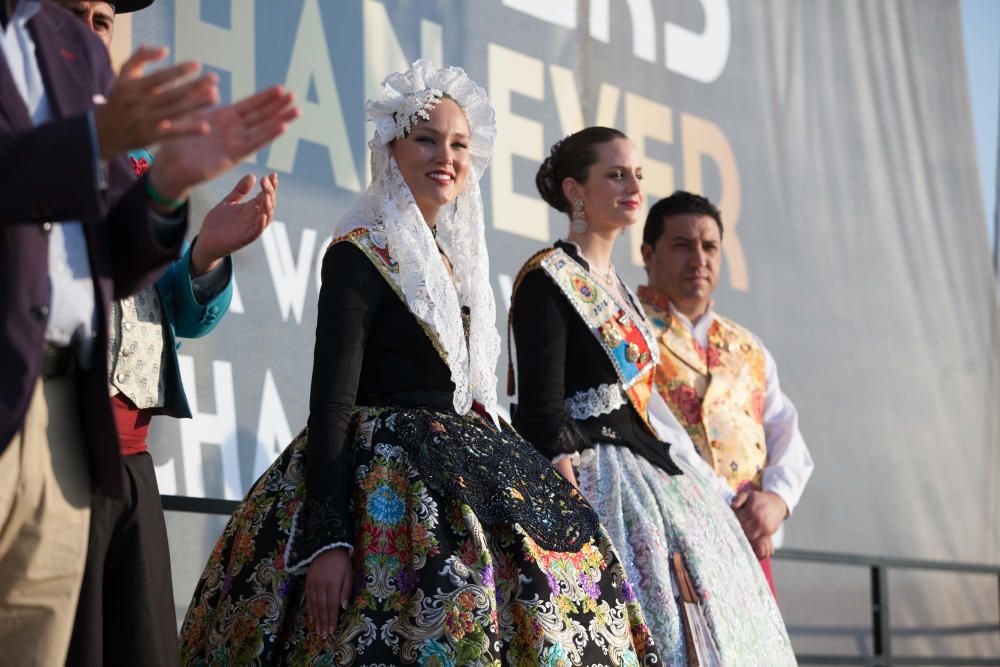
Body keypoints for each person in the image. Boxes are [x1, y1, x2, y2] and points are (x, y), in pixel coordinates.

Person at [180, 61, 659, 666]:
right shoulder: (359, 254)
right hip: (382, 485)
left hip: (465, 466)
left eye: (459, 143)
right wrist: (330, 539)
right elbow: (332, 402)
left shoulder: (457, 267)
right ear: (392, 148)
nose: (446, 156)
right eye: (426, 138)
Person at [0, 0, 298, 662]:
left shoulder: (128, 162)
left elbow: (157, 296)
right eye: (73, 11)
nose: (85, 30)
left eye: (102, 19)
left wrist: (203, 252)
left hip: (116, 451)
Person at [509, 127, 796, 664]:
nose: (632, 186)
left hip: (654, 484)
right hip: (596, 485)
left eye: (637, 175)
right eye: (614, 175)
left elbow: (647, 413)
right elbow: (540, 411)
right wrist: (573, 517)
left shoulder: (619, 292)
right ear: (575, 191)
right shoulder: (548, 278)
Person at [638, 190, 814, 595]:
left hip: (752, 544)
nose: (698, 258)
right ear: (648, 255)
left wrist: (776, 503)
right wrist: (733, 508)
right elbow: (655, 431)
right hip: (670, 538)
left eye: (709, 246)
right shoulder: (630, 330)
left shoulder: (748, 347)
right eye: (682, 245)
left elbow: (785, 431)